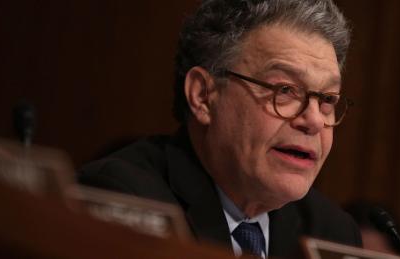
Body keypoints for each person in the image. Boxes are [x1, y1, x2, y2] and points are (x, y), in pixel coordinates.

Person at [79, 0, 362, 257]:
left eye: (327, 99)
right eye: (285, 90)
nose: (313, 120)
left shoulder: (331, 232)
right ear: (203, 96)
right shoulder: (126, 199)